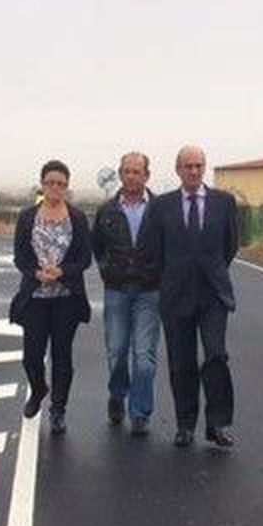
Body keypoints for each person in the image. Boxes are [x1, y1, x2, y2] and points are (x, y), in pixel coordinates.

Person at [143, 144, 239, 449]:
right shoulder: (161, 206)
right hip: (175, 295)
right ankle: (185, 425)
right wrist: (170, 278)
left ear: (204, 168)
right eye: (188, 166)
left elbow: (230, 246)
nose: (194, 171)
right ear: (178, 170)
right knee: (181, 362)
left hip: (213, 295)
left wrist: (211, 271)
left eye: (199, 165)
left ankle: (218, 424)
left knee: (215, 355)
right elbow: (151, 250)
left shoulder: (224, 202)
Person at [9, 160, 93, 435]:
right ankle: (38, 389)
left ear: (67, 187)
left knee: (61, 357)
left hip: (66, 298)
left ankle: (58, 410)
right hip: (35, 297)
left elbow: (84, 259)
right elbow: (20, 256)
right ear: (42, 185)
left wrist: (62, 271)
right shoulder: (27, 216)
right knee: (31, 357)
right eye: (50, 183)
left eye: (61, 183)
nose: (55, 187)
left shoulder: (78, 218)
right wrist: (36, 272)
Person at [91, 151, 161, 436]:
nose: (132, 176)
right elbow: (97, 247)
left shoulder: (160, 209)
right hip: (117, 290)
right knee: (117, 351)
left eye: (137, 171)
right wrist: (108, 271)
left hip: (149, 291)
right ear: (120, 175)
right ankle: (117, 394)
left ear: (147, 175)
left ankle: (140, 412)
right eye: (127, 171)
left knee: (144, 356)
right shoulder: (106, 210)